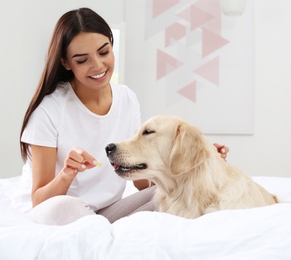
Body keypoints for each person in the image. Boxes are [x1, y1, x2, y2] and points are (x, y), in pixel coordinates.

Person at [17, 7, 229, 225]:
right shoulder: (48, 110)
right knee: (64, 206)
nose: (98, 66)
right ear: (65, 62)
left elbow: (141, 184)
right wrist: (67, 173)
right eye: (82, 60)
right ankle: (103, 235)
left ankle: (103, 234)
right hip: (57, 210)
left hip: (105, 213)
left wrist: (195, 156)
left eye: (104, 52)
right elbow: (39, 201)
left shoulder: (126, 99)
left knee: (170, 196)